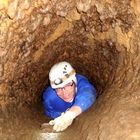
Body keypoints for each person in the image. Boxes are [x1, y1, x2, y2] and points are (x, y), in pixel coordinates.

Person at [42, 61, 96, 132]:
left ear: (74, 81)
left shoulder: (80, 82)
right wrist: (60, 115)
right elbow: (50, 112)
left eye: (68, 85)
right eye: (58, 88)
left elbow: (88, 93)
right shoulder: (49, 98)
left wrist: (70, 114)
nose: (64, 93)